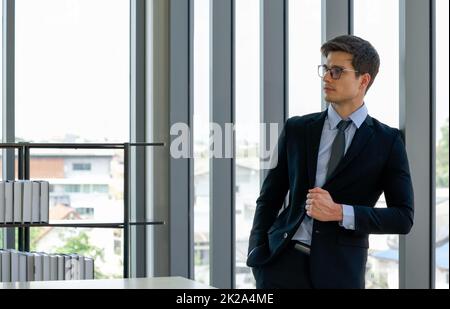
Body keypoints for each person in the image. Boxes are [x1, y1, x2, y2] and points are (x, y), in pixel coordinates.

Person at [246, 35, 414, 289]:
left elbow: (403, 217)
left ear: (363, 80)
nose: (326, 78)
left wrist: (340, 212)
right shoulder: (297, 128)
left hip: (340, 273)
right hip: (280, 264)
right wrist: (257, 252)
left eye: (337, 71)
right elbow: (269, 197)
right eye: (325, 69)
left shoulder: (387, 141)